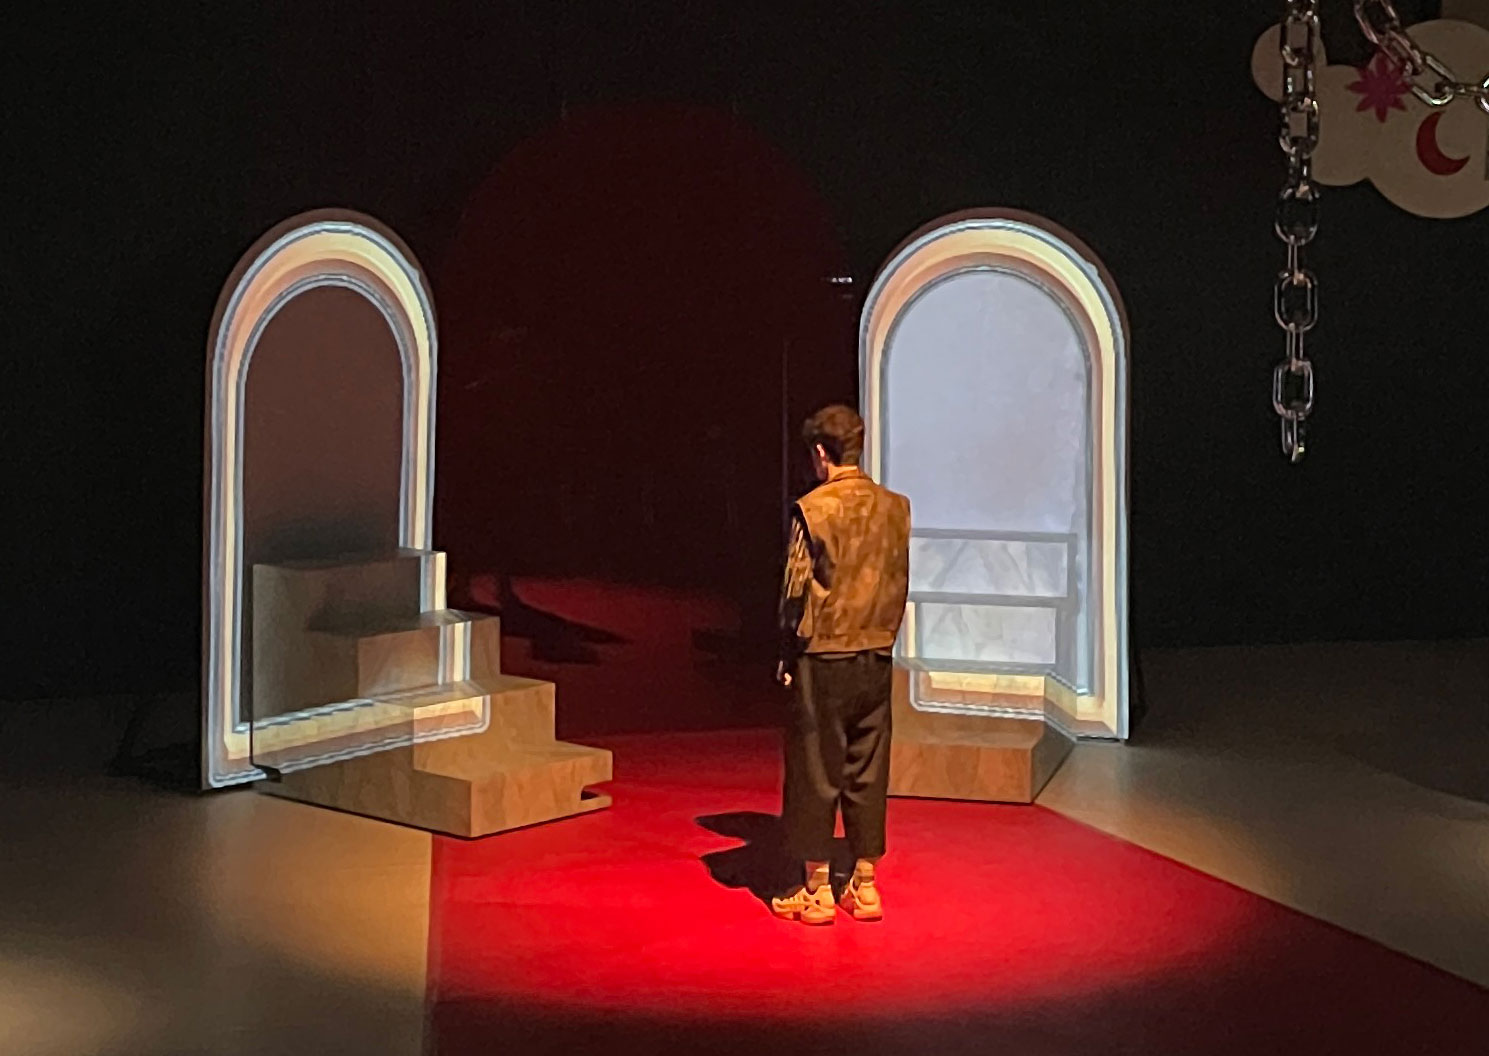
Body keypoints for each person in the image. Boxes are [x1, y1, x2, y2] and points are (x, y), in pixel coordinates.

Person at [770, 404, 910, 925]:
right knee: (867, 769)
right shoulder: (896, 508)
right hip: (876, 653)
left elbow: (794, 589)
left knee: (816, 768)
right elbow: (899, 579)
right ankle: (865, 886)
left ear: (820, 453)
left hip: (823, 656)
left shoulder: (814, 509)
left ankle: (817, 890)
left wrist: (786, 651)